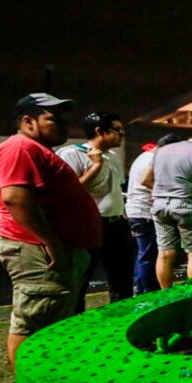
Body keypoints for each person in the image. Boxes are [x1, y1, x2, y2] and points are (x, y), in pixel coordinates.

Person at [0, 94, 101, 383]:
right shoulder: (20, 148)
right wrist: (52, 243)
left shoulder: (38, 151)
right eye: (52, 119)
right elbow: (15, 197)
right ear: (28, 121)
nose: (64, 126)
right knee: (33, 321)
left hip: (54, 250)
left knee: (50, 320)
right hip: (37, 251)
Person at [57, 111, 134, 309]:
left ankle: (121, 321)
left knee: (122, 277)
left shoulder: (112, 156)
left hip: (116, 223)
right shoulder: (71, 154)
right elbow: (67, 192)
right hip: (89, 225)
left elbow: (116, 190)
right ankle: (75, 324)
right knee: (81, 279)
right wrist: (95, 166)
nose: (122, 135)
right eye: (118, 130)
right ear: (100, 131)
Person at [144, 132, 192, 288]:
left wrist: (165, 192)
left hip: (159, 205)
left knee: (165, 253)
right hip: (186, 205)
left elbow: (145, 180)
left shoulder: (161, 151)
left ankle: (167, 295)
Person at [125, 133, 180, 294]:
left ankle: (140, 288)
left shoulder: (144, 156)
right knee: (149, 255)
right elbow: (146, 181)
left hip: (136, 211)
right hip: (144, 212)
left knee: (143, 253)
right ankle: (148, 291)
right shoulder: (155, 159)